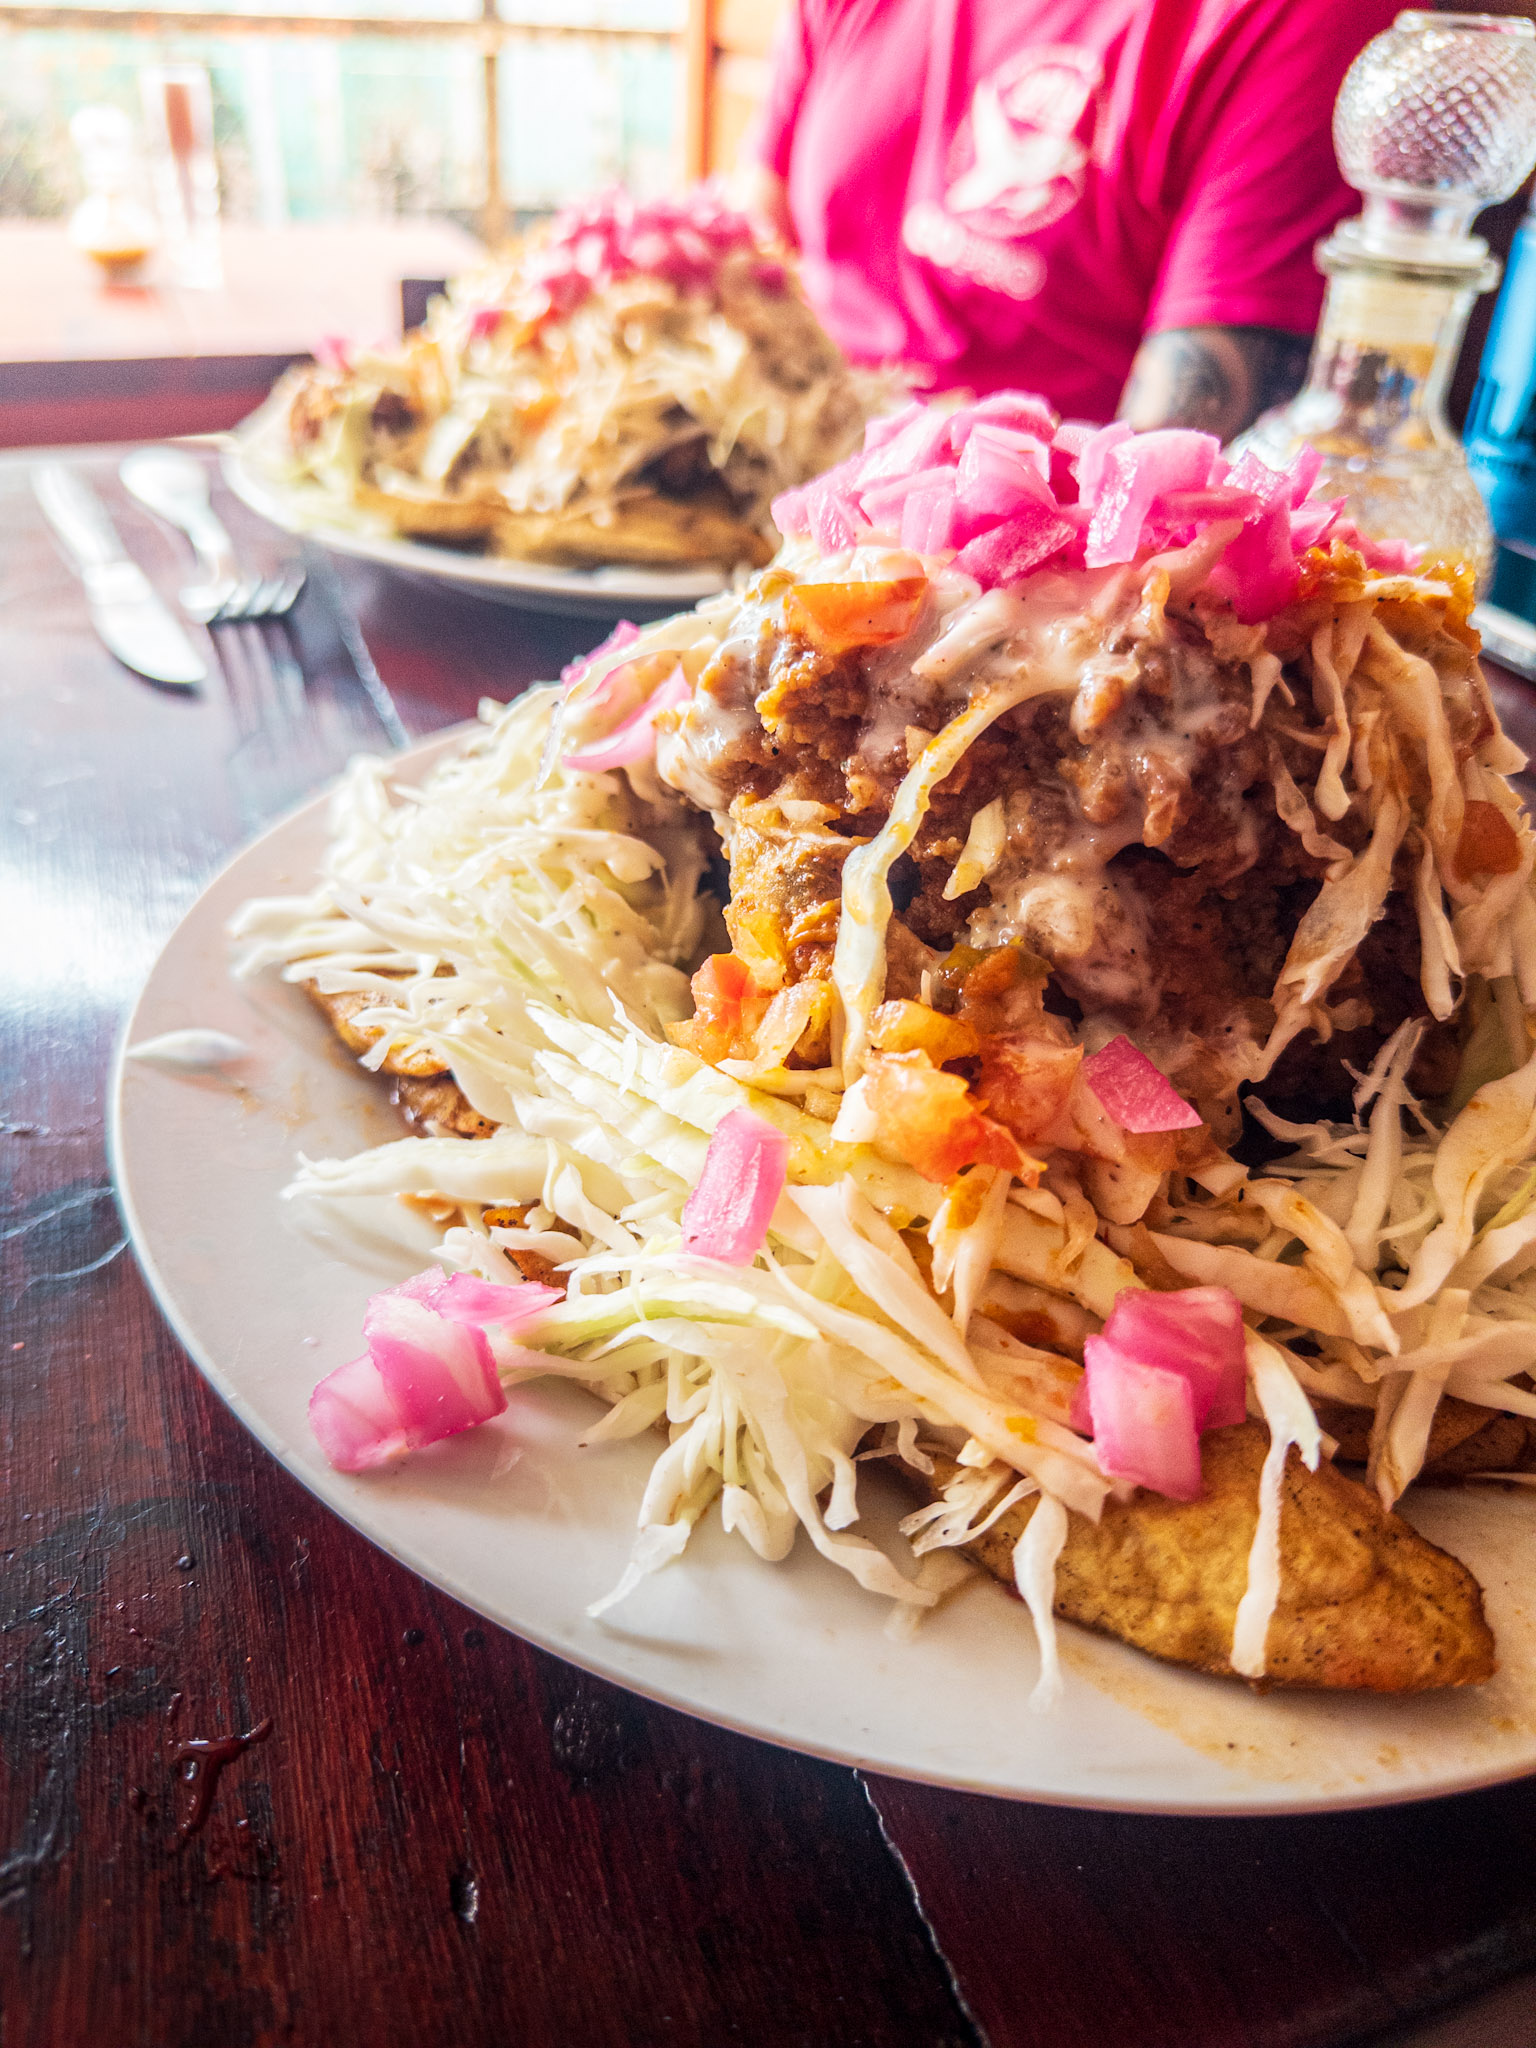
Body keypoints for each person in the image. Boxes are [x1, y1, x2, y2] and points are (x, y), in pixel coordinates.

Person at [742, 0, 1401, 439]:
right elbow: (752, 235)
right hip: (771, 462)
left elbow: (1166, 467)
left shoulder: (1307, 16)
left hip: (1009, 560)